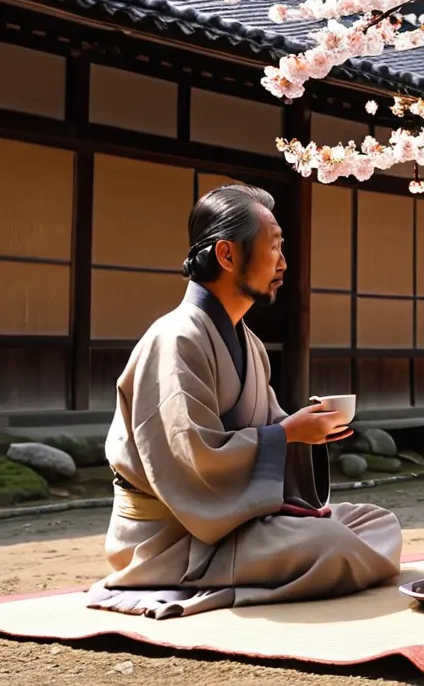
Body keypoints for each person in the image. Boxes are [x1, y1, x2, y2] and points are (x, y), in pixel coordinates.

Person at [90, 185, 402, 619]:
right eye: (273, 247)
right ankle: (212, 585)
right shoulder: (176, 339)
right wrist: (287, 434)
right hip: (171, 540)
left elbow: (269, 427)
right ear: (226, 254)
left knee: (377, 523)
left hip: (231, 522)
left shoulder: (249, 344)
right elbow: (193, 458)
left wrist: (306, 432)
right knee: (333, 545)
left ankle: (271, 559)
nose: (283, 262)